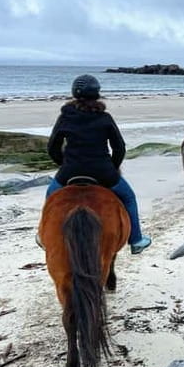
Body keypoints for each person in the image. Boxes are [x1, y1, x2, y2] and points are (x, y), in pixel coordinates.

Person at [44, 74, 152, 254]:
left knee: (50, 196)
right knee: (129, 198)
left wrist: (64, 164)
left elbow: (52, 147)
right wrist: (113, 168)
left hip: (70, 171)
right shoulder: (104, 118)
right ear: (96, 94)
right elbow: (119, 148)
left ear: (74, 93)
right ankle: (136, 240)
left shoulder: (65, 117)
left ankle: (44, 235)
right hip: (103, 172)